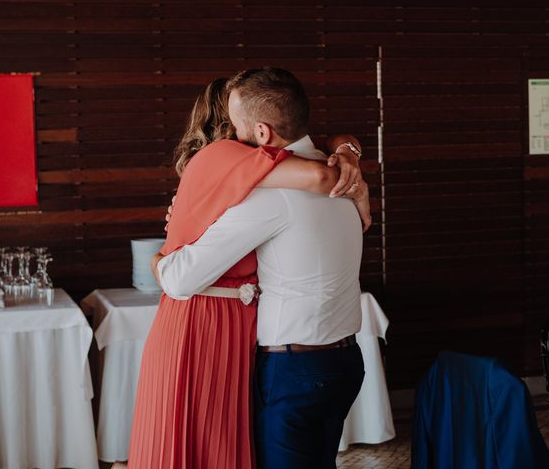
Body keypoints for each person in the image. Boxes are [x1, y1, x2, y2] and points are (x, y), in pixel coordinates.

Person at [123, 75, 368, 469]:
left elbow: (180, 278)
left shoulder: (273, 198)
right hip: (346, 361)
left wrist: (159, 262)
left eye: (238, 127)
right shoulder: (344, 177)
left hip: (295, 370)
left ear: (260, 131)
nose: (234, 138)